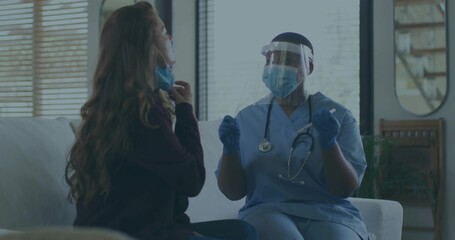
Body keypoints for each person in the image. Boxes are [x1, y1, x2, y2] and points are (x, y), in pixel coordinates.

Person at [64, 2, 257, 240]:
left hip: (137, 228)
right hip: (133, 234)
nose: (171, 37)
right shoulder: (142, 112)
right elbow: (192, 180)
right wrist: (186, 111)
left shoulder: (119, 106)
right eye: (164, 32)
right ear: (149, 48)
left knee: (243, 232)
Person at [216, 32, 369, 240]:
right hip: (266, 210)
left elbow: (345, 188)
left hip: (329, 214)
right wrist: (230, 151)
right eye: (272, 60)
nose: (278, 67)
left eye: (288, 60)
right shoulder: (247, 118)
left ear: (309, 67)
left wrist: (329, 145)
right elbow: (233, 192)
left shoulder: (338, 117)